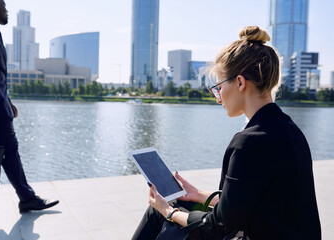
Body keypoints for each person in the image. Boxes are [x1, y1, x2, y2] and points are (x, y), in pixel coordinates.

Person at [132, 26, 321, 239]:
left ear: (240, 82)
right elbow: (249, 205)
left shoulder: (250, 142)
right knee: (178, 204)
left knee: (160, 214)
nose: (217, 97)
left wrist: (168, 211)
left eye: (219, 87)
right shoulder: (290, 131)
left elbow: (219, 227)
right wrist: (198, 195)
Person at [0, 0, 59, 213]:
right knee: (10, 151)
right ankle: (27, 197)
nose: (6, 9)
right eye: (3, 4)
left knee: (10, 151)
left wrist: (7, 101)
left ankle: (27, 197)